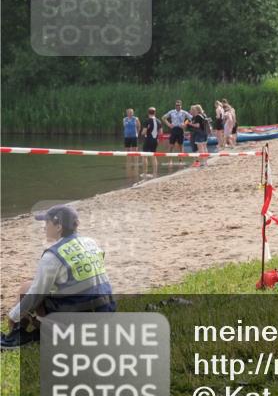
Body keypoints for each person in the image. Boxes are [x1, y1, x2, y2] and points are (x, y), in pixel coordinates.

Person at [1, 205, 115, 350]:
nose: (44, 228)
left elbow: (35, 295)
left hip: (78, 329)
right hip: (104, 318)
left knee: (27, 288)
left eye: (46, 223)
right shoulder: (91, 243)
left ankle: (17, 335)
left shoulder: (52, 256)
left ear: (58, 226)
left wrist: (13, 316)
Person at [141, 106, 160, 176]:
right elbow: (161, 132)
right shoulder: (158, 121)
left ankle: (145, 173)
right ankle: (155, 173)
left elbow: (143, 132)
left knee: (144, 156)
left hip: (148, 139)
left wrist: (142, 133)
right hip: (155, 140)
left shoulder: (147, 121)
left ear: (148, 113)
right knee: (154, 156)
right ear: (155, 113)